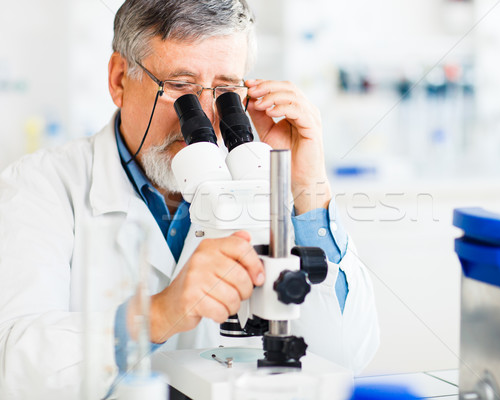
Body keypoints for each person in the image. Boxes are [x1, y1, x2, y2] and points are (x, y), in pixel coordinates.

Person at [0, 0, 379, 398]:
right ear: (119, 80)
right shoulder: (40, 186)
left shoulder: (260, 181)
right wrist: (159, 314)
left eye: (226, 91)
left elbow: (347, 355)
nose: (202, 114)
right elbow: (15, 366)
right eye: (180, 87)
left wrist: (308, 189)